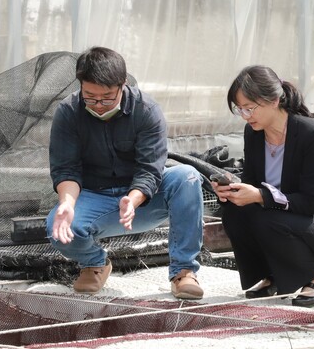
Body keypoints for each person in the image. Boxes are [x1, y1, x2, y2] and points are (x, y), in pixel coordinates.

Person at [47, 47, 204, 299]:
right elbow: (66, 168)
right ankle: (95, 263)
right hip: (95, 196)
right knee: (59, 227)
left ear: (122, 85)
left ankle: (183, 271)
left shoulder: (146, 110)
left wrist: (133, 198)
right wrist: (66, 202)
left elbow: (150, 169)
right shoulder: (68, 111)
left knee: (187, 176)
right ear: (80, 86)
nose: (98, 105)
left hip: (143, 199)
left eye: (107, 98)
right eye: (90, 97)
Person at [214, 66, 314, 307]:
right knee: (234, 214)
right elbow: (253, 184)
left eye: (250, 108)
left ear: (274, 100)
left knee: (266, 219)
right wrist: (229, 192)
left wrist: (260, 196)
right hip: (285, 217)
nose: (246, 116)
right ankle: (273, 276)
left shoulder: (312, 134)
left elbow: (311, 202)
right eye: (240, 110)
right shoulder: (253, 133)